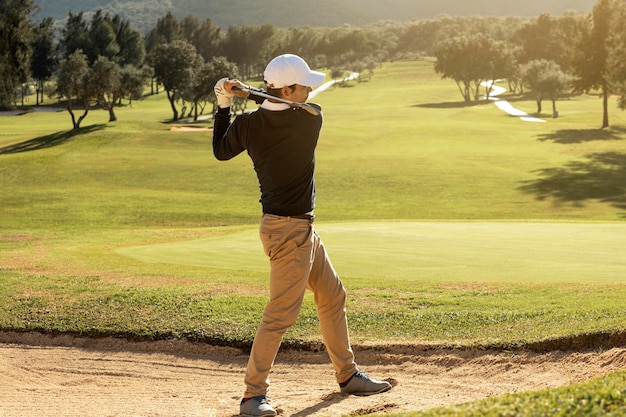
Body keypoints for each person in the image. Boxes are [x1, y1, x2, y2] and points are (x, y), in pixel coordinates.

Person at [212, 54, 392, 417]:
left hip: (298, 228)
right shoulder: (306, 121)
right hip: (287, 231)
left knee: (332, 293)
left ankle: (347, 374)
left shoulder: (254, 125)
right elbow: (298, 108)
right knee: (280, 313)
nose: (311, 89)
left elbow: (220, 148)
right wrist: (246, 96)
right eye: (304, 85)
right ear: (289, 91)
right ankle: (252, 396)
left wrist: (224, 104)